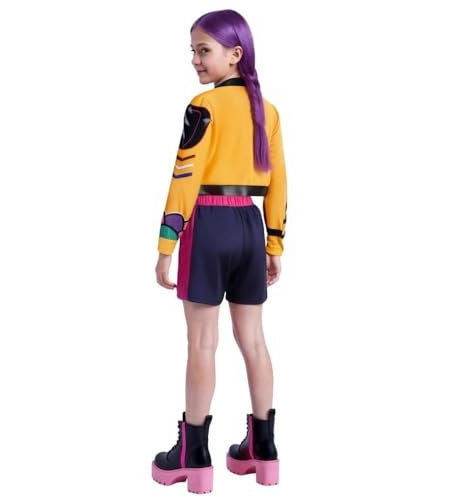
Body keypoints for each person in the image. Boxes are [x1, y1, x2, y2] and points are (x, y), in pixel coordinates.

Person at [151, 9, 287, 494]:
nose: (195, 60)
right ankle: (264, 449)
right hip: (250, 225)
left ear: (235, 53)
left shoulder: (202, 106)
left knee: (202, 344)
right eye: (192, 51)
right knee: (254, 341)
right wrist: (274, 243)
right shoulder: (267, 111)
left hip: (207, 225)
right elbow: (279, 183)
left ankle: (193, 455)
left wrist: (166, 245)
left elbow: (184, 176)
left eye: (203, 50)